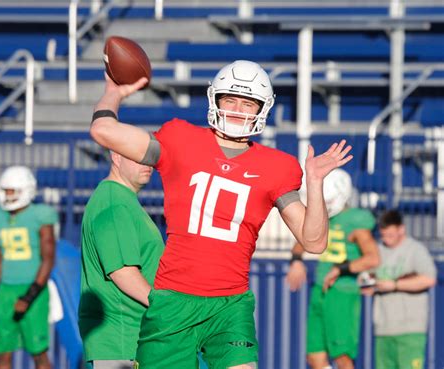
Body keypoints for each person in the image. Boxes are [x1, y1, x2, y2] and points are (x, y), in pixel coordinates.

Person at [89, 60, 353, 369]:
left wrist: (316, 182)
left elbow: (314, 241)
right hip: (173, 299)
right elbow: (102, 130)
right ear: (215, 99)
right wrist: (114, 92)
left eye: (247, 102)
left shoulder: (277, 167)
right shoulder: (179, 139)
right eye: (230, 99)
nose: (238, 109)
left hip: (230, 303)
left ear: (261, 109)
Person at [285, 168, 380, 369]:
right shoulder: (323, 217)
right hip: (320, 289)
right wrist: (296, 261)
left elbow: (372, 258)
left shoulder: (356, 221)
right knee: (314, 356)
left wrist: (341, 269)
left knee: (342, 356)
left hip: (342, 291)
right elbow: (301, 241)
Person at [78, 151, 164, 369]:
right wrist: (166, 308)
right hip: (122, 341)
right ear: (116, 156)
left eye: (150, 156)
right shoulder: (114, 203)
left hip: (131, 339)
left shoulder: (121, 199)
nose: (148, 163)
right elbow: (123, 273)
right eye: (138, 155)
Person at [0, 166, 58, 369]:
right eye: (6, 190)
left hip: (34, 291)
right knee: (1, 353)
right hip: (6, 291)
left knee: (39, 353)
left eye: (13, 190)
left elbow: (48, 259)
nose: (8, 195)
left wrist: (29, 296)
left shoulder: (41, 215)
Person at [361, 210, 436, 369]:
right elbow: (364, 277)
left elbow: (429, 278)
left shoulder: (415, 249)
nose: (386, 240)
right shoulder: (378, 250)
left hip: (410, 331)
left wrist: (394, 285)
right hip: (383, 330)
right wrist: (368, 283)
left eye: (391, 235)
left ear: (401, 229)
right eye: (383, 235)